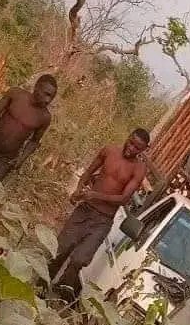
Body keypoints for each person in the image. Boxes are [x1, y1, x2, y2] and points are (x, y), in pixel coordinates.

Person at [49, 128, 150, 299]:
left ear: (143, 150)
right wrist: (78, 190)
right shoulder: (109, 150)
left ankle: (62, 288)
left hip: (103, 220)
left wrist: (95, 195)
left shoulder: (139, 170)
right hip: (84, 210)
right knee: (61, 248)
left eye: (136, 147)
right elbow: (88, 173)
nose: (131, 148)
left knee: (80, 259)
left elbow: (124, 198)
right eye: (130, 142)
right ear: (127, 137)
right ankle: (43, 282)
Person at [0, 74, 57, 191]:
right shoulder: (16, 94)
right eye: (46, 94)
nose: (48, 100)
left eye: (51, 97)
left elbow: (34, 141)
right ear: (37, 87)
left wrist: (21, 159)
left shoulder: (45, 117)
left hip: (6, 159)